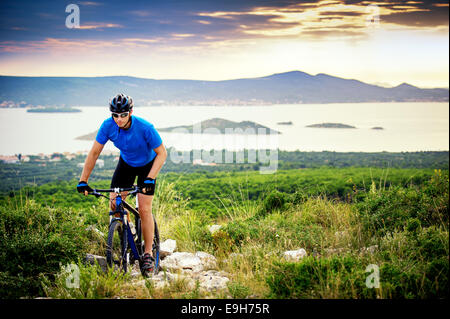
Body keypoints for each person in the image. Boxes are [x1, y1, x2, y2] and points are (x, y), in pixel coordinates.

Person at [77, 93, 167, 276]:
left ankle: (148, 253)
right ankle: (126, 230)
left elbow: (162, 153)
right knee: (114, 204)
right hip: (125, 165)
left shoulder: (145, 127)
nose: (119, 119)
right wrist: (83, 180)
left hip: (147, 167)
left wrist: (150, 178)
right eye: (115, 115)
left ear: (131, 112)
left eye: (123, 115)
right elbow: (94, 153)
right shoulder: (107, 126)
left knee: (144, 209)